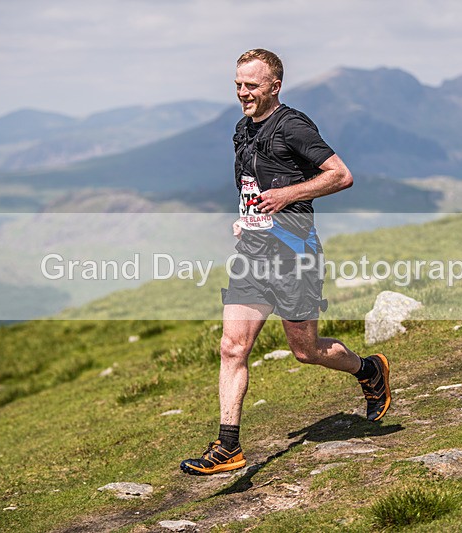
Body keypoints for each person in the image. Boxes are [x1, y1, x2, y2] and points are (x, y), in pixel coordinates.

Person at [180, 49, 391, 476]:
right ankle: (228, 446)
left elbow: (341, 175)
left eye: (252, 86)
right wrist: (247, 218)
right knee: (232, 347)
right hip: (252, 256)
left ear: (275, 86)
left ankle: (369, 369)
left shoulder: (293, 125)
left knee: (306, 350)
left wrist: (286, 197)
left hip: (295, 256)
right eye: (238, 85)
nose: (243, 93)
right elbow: (255, 184)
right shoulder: (243, 129)